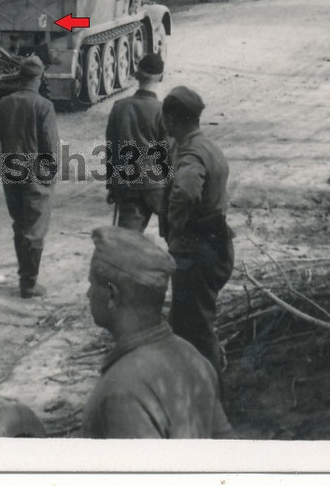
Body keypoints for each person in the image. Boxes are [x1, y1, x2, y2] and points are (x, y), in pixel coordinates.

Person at [81, 226, 232, 439]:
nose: (88, 293)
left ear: (112, 296)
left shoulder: (122, 389)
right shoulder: (193, 357)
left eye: (92, 284)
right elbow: (224, 443)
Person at [160, 86, 234, 380]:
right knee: (185, 324)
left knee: (199, 330)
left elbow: (187, 190)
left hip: (198, 249)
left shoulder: (192, 153)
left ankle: (211, 399)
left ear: (172, 120)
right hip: (211, 244)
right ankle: (192, 389)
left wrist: (175, 224)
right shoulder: (203, 145)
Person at [0, 56, 60, 299]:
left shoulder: (3, 103)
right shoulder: (43, 106)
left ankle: (24, 278)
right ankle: (29, 284)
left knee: (20, 225)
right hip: (34, 176)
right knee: (35, 229)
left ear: (20, 77)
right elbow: (50, 146)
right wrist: (50, 176)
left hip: (11, 174)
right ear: (39, 78)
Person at [104, 53, 169, 233]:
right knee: (176, 240)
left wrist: (112, 184)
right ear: (161, 77)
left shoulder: (119, 107)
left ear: (136, 74)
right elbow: (170, 153)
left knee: (127, 242)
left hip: (128, 184)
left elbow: (112, 150)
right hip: (158, 186)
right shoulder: (162, 111)